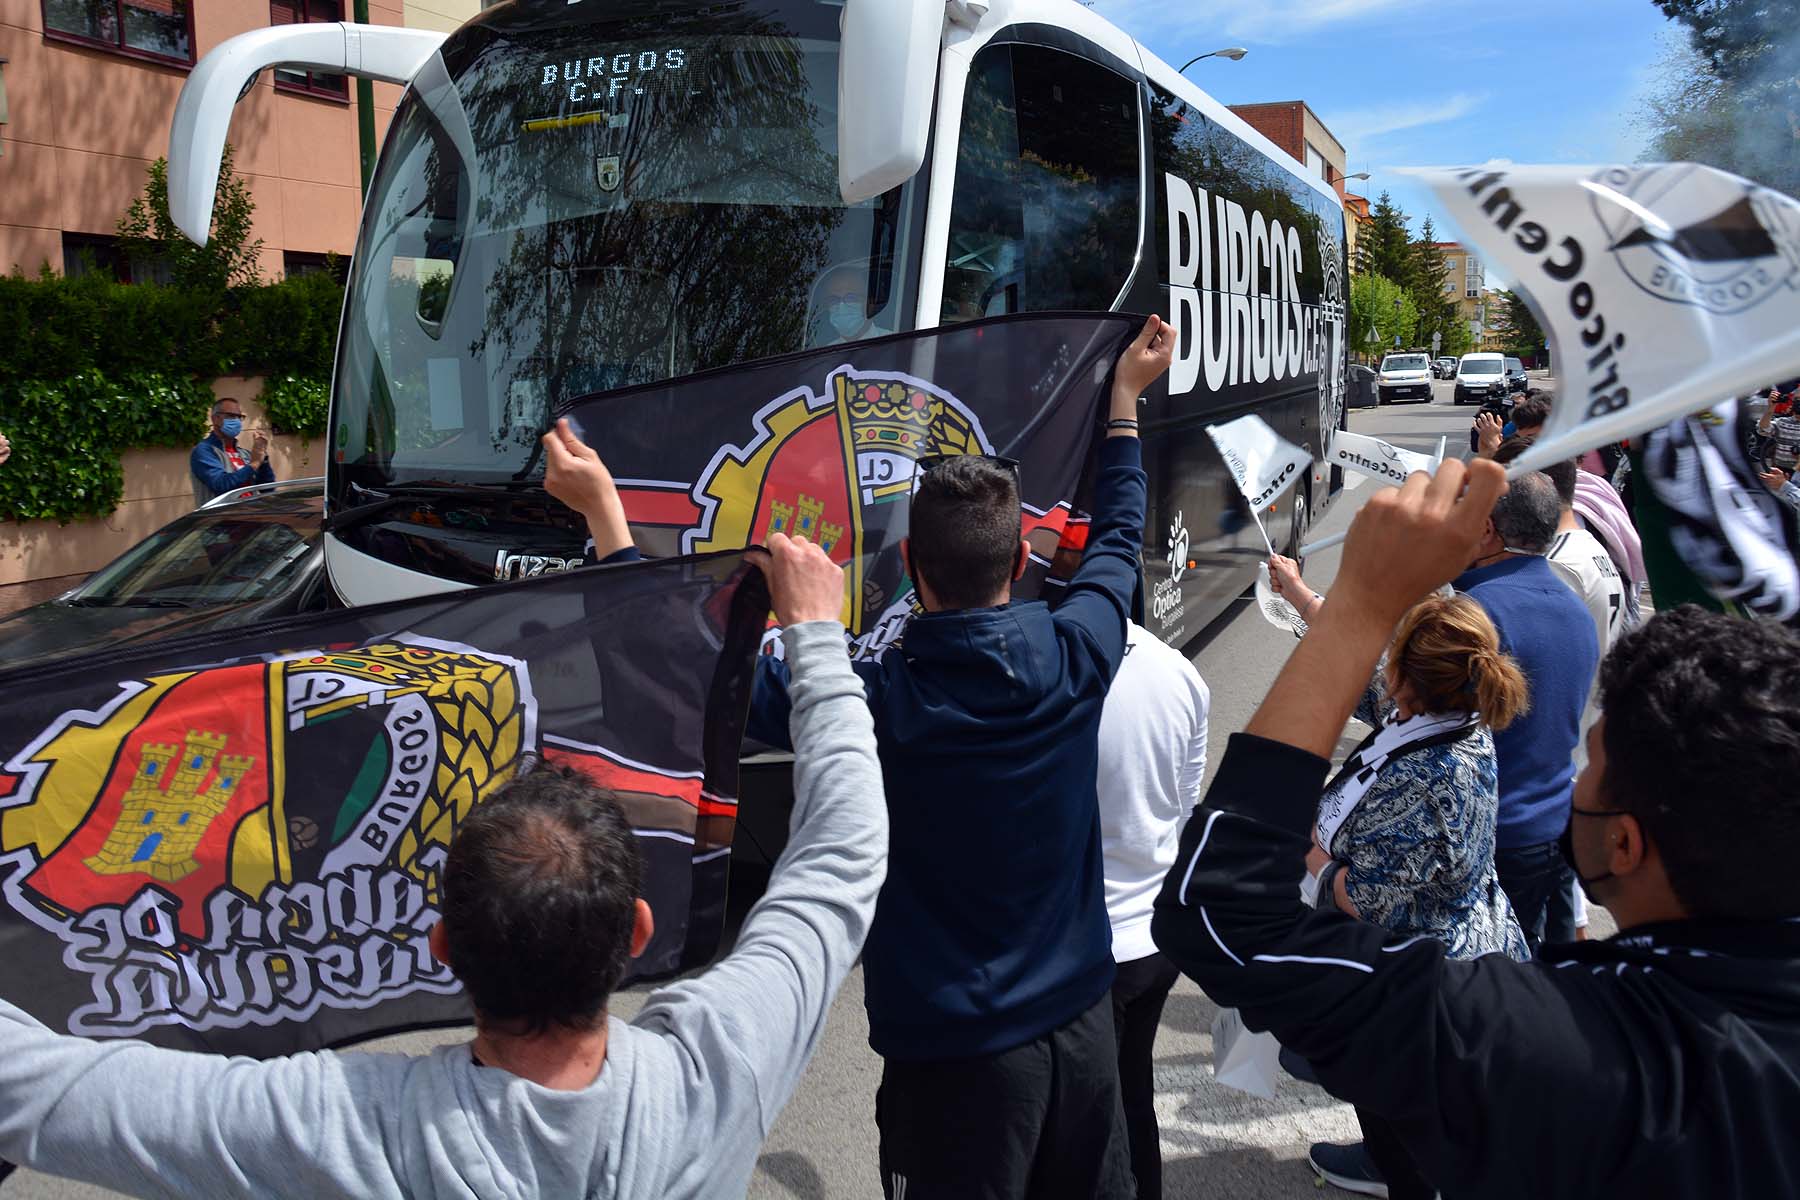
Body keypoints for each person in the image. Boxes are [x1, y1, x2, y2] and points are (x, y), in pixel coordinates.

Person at [0, 531, 890, 1200]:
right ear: (635, 932)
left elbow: (47, 1095)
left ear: (440, 947)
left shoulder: (348, 1126)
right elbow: (841, 857)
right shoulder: (716, 1070)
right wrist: (813, 636)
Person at [1153, 456, 1800, 1199]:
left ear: (1625, 843)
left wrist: (1363, 605)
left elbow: (1215, 911)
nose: (1572, 771)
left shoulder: (1546, 1041)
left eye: (1589, 762)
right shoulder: (1557, 603)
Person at [745, 314, 1174, 1199]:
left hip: (954, 1068)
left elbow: (697, 689)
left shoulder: (870, 703)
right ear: (1022, 557)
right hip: (1084, 1035)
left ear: (909, 563)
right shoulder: (1080, 651)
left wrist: (615, 533)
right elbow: (1120, 540)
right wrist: (1123, 405)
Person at [1264, 574, 1530, 1197]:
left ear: (1411, 684)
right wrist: (1299, 595)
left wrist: (1305, 844)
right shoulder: (1444, 714)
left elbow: (1361, 894)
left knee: (1403, 1131)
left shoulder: (1432, 777)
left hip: (1420, 989)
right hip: (1434, 964)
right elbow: (1362, 678)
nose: (1383, 667)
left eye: (1394, 657)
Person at [1452, 470, 1597, 952]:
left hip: (1496, 838)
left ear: (1488, 530)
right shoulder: (1572, 606)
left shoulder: (1477, 612)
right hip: (1554, 827)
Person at [1094, 620, 1210, 1200]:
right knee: (1133, 1088)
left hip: (1096, 949)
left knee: (1095, 1121)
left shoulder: (1060, 674)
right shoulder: (1180, 672)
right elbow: (1186, 808)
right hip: (1158, 933)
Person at [190, 397, 275, 504]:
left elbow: (267, 489)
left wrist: (262, 457)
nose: (236, 420)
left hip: (250, 514)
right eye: (230, 416)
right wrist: (254, 464)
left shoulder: (243, 454)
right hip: (222, 518)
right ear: (215, 419)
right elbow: (221, 485)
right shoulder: (204, 451)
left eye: (239, 417)